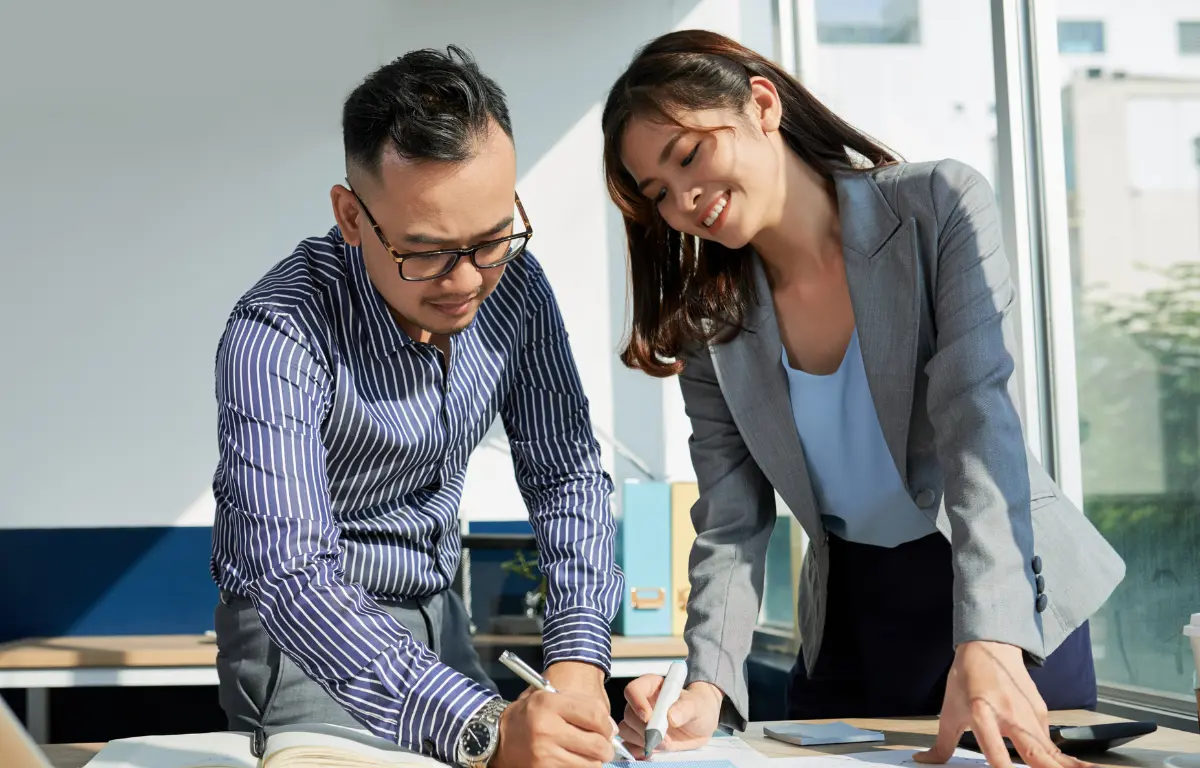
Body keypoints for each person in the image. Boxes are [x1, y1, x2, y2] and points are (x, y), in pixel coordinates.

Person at [601, 29, 1125, 768]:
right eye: (657, 193)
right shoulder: (708, 323)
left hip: (1000, 589)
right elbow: (731, 521)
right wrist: (708, 685)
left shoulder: (937, 205)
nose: (683, 199)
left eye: (688, 156)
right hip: (853, 614)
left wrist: (991, 637)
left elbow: (980, 425)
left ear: (760, 105)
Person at [210, 46, 623, 768]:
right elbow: (291, 574)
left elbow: (566, 477)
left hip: (444, 619)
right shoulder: (276, 332)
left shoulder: (517, 287)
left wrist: (579, 668)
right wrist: (484, 728)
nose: (467, 279)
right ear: (351, 215)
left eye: (493, 238)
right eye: (425, 252)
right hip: (306, 639)